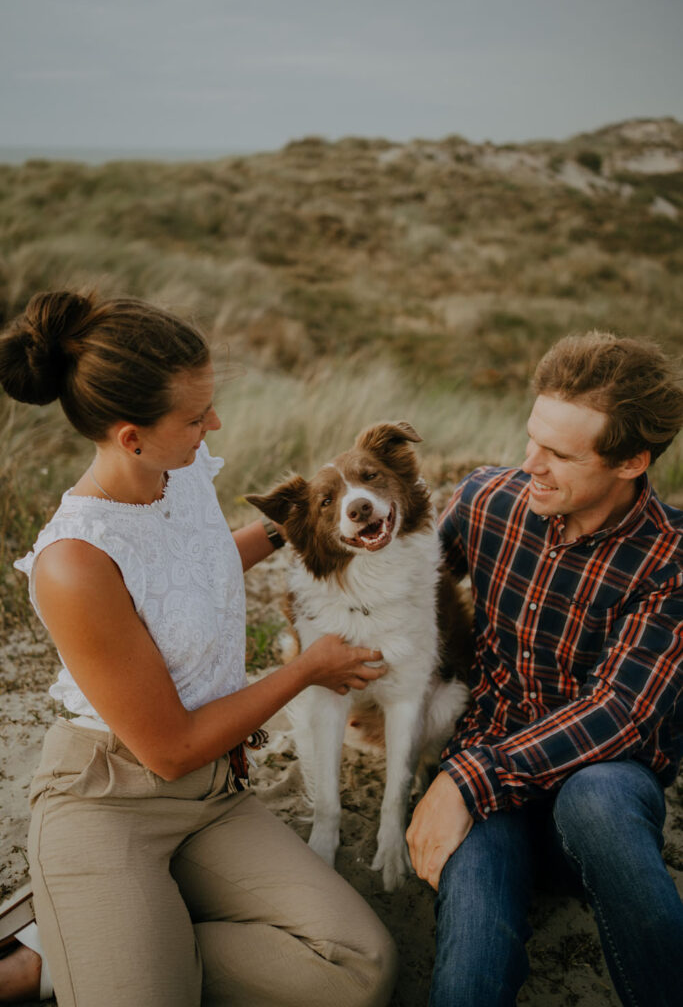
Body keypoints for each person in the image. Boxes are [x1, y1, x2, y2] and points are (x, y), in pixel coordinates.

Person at [0, 291, 397, 1007]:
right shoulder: (76, 560)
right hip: (110, 798)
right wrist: (307, 668)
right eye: (194, 416)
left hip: (212, 796)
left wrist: (301, 521)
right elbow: (170, 748)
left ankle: (86, 950)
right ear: (129, 436)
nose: (212, 424)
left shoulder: (176, 472)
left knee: (356, 967)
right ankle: (87, 938)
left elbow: (196, 565)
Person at [406, 331, 683, 1007]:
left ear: (630, 463)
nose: (531, 463)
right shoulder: (486, 500)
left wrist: (463, 780)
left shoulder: (671, 559)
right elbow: (412, 599)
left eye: (559, 455)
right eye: (531, 438)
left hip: (595, 799)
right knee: (469, 961)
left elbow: (621, 713)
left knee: (598, 799)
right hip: (488, 785)